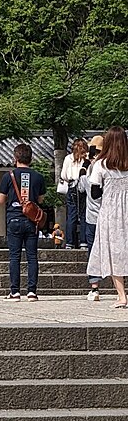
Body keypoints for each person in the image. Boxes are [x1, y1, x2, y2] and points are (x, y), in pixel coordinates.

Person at [86, 125, 128, 309]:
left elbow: (95, 193)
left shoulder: (101, 165)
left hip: (110, 213)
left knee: (113, 253)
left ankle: (122, 296)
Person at [0, 142, 46, 301]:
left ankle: (15, 291)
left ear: (15, 158)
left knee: (14, 256)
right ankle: (32, 291)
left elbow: (1, 199)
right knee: (32, 256)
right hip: (31, 221)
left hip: (14, 218)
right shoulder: (38, 177)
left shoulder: (8, 176)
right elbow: (40, 199)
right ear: (31, 158)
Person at [78, 135, 104, 300]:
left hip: (92, 217)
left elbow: (81, 187)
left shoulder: (90, 170)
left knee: (92, 251)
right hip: (109, 216)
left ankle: (94, 286)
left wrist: (84, 166)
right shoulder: (111, 167)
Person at [60, 138, 89, 249]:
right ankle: (83, 241)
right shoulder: (86, 160)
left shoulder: (68, 158)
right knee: (83, 215)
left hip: (72, 186)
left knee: (71, 215)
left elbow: (63, 175)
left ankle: (70, 243)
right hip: (83, 187)